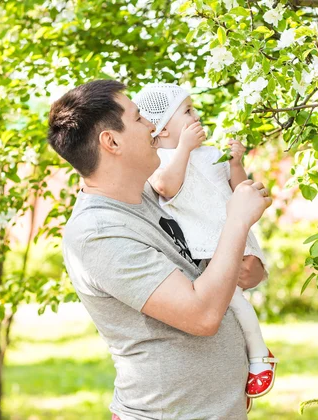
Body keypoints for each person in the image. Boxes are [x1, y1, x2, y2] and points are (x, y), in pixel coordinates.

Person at [47, 79, 272, 419]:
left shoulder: (158, 196)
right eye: (139, 118)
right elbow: (202, 314)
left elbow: (215, 271)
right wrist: (237, 223)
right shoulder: (99, 232)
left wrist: (250, 267)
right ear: (111, 141)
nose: (154, 126)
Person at [134, 83, 277, 399]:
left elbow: (239, 190)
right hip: (202, 248)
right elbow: (166, 187)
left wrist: (236, 163)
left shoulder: (210, 155)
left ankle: (257, 354)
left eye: (193, 109)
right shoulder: (160, 161)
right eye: (187, 111)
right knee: (233, 305)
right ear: (161, 128)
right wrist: (183, 148)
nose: (196, 116)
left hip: (232, 237)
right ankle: (255, 353)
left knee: (236, 302)